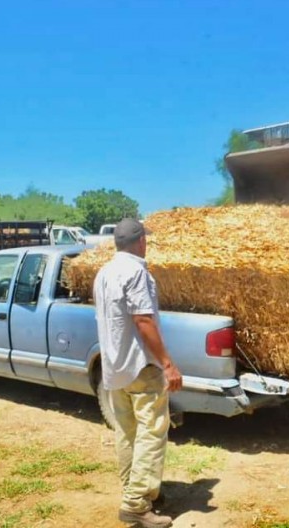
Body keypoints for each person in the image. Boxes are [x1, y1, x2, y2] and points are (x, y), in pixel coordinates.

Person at [93, 218, 183, 528]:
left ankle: (135, 491)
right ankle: (135, 505)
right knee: (152, 432)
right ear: (141, 241)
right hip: (141, 367)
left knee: (127, 432)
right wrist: (168, 364)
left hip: (115, 367)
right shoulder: (136, 272)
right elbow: (143, 321)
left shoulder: (104, 272)